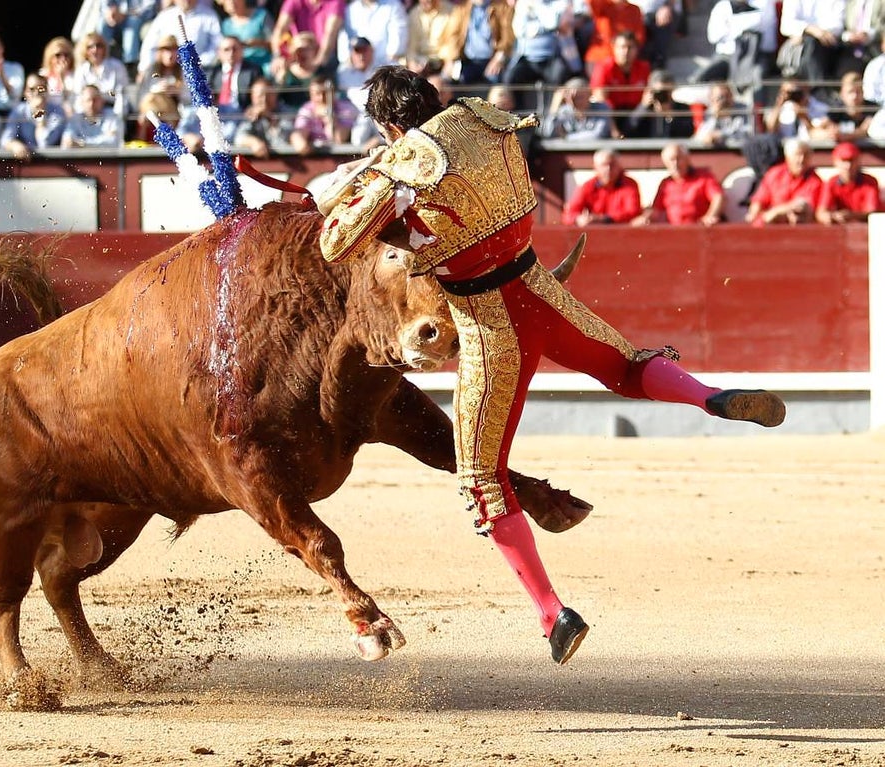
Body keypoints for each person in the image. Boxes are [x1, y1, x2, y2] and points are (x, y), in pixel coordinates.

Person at [316, 65, 786, 665]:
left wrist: (374, 181)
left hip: (489, 323)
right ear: (434, 98)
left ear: (387, 124)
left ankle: (552, 612)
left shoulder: (398, 166)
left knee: (481, 478)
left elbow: (335, 243)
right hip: (541, 291)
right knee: (626, 367)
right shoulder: (484, 117)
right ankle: (711, 396)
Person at [503, 0, 583, 113]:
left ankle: (550, 118)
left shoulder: (561, 3)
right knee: (510, 77)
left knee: (560, 75)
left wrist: (536, 6)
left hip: (551, 58)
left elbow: (554, 22)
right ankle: (519, 117)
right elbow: (519, 30)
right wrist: (544, 28)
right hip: (527, 59)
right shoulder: (523, 3)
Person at [632, 142, 725, 226]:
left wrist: (710, 216)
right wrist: (645, 218)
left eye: (678, 158)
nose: (675, 164)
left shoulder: (704, 177)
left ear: (687, 159)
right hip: (674, 232)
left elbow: (718, 197)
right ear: (665, 163)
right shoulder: (666, 183)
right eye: (671, 160)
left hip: (699, 229)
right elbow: (656, 210)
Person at [744, 138, 823, 226]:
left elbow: (802, 206)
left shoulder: (814, 181)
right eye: (798, 155)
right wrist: (755, 213)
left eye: (806, 156)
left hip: (796, 227)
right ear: (787, 157)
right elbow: (759, 200)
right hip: (768, 224)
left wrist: (776, 212)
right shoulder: (774, 174)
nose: (801, 160)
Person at [138, 0, 222, 79]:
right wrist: (144, 68)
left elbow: (217, 45)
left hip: (199, 71)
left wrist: (199, 61)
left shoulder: (209, 15)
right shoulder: (165, 16)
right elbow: (149, 45)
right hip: (166, 72)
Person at [437, 0, 512, 86]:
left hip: (491, 60)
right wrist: (451, 60)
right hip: (468, 61)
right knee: (448, 79)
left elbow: (508, 37)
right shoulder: (461, 10)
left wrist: (498, 58)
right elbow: (452, 37)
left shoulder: (501, 8)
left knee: (497, 79)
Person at [589, 30, 650, 137]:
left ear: (637, 49)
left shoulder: (644, 68)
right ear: (614, 48)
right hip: (612, 114)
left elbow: (649, 95)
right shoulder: (604, 68)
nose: (626, 51)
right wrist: (613, 129)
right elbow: (600, 100)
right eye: (622, 47)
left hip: (637, 114)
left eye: (630, 47)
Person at [563, 147, 642, 225]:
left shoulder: (630, 184)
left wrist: (604, 219)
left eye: (612, 165)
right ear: (595, 167)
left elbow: (633, 212)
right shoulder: (587, 186)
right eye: (604, 165)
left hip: (623, 233)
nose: (608, 169)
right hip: (595, 234)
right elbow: (568, 214)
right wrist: (578, 219)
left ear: (619, 166)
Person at [777, 0, 844, 87]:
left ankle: (816, 90)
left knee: (813, 44)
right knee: (810, 44)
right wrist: (810, 30)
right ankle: (815, 90)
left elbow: (838, 26)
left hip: (829, 44)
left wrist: (815, 32)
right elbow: (786, 25)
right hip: (800, 47)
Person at [0, 73, 66, 160]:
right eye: (32, 89)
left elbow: (45, 144)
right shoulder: (18, 111)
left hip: (51, 163)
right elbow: (5, 139)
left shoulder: (57, 112)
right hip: (26, 162)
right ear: (25, 92)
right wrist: (14, 145)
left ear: (47, 91)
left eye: (41, 89)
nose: (36, 93)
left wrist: (40, 116)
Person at [135, 35, 188, 142]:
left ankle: (172, 141)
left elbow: (190, 97)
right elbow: (141, 96)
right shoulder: (151, 70)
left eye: (173, 50)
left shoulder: (183, 70)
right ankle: (141, 141)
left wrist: (177, 91)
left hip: (176, 110)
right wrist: (157, 90)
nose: (170, 55)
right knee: (149, 104)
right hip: (152, 108)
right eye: (166, 50)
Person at [270, 0, 346, 74]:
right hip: (297, 52)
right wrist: (278, 55)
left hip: (322, 55)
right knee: (279, 71)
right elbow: (280, 29)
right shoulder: (294, 2)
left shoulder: (335, 2)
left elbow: (330, 34)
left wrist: (318, 62)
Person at [816, 141, 882, 224]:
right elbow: (821, 213)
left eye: (851, 160)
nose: (848, 166)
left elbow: (873, 212)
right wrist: (832, 217)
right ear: (835, 162)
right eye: (844, 161)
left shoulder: (870, 182)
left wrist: (851, 216)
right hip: (840, 233)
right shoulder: (831, 183)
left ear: (858, 161)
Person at [289, 71, 355, 153]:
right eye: (317, 94)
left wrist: (329, 118)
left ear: (333, 93)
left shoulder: (345, 109)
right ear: (310, 95)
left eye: (325, 93)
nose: (321, 98)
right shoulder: (306, 109)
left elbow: (340, 138)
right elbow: (298, 136)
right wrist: (301, 143)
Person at [72, 31, 130, 120]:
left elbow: (122, 95)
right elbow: (78, 97)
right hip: (88, 112)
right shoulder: (81, 70)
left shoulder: (117, 66)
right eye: (90, 47)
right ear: (85, 50)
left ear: (104, 48)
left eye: (99, 46)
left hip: (112, 110)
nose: (95, 50)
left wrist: (118, 119)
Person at [337, 0, 408, 69]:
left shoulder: (394, 5)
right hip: (356, 68)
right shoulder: (350, 9)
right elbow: (343, 39)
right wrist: (350, 60)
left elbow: (398, 40)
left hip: (385, 66)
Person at [623, 68, 693, 139]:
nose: (664, 95)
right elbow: (628, 130)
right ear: (651, 90)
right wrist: (643, 106)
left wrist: (670, 115)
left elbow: (688, 132)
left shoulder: (682, 108)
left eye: (668, 91)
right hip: (647, 148)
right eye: (660, 92)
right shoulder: (644, 110)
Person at [235, 77, 293, 157]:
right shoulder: (250, 113)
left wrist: (270, 118)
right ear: (252, 98)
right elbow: (239, 138)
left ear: (275, 95)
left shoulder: (285, 112)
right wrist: (254, 142)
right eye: (260, 96)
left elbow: (282, 140)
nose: (264, 100)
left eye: (268, 95)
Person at [540, 76, 614, 140]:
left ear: (589, 94)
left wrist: (566, 137)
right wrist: (555, 107)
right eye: (573, 98)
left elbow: (597, 135)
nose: (576, 101)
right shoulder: (564, 111)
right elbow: (547, 133)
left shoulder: (602, 108)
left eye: (580, 97)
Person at [809, 71, 875, 142]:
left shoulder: (872, 108)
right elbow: (813, 132)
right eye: (850, 92)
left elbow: (865, 132)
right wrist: (830, 134)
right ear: (842, 94)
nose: (854, 96)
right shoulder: (837, 110)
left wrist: (845, 136)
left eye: (858, 92)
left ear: (863, 92)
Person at [584, 0, 645, 71]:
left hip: (626, 59)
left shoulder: (634, 10)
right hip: (601, 57)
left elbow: (639, 37)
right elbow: (591, 3)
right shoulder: (603, 5)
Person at [691, 82, 754, 146]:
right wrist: (715, 117)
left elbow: (747, 134)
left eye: (727, 96)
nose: (724, 101)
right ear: (711, 99)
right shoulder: (709, 112)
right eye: (720, 97)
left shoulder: (743, 110)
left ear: (732, 96)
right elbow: (699, 137)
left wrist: (721, 135)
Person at [61, 84, 124, 148]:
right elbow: (67, 142)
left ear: (101, 100)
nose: (91, 104)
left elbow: (113, 142)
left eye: (95, 100)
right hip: (80, 157)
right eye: (88, 100)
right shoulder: (75, 119)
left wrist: (82, 144)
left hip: (106, 157)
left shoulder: (112, 117)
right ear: (82, 102)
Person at [220, 0, 275, 73]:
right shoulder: (226, 25)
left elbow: (275, 43)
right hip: (239, 69)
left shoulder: (261, 16)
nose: (232, 3)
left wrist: (258, 43)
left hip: (263, 64)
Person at [403, 0, 453, 74]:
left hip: (442, 63)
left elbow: (451, 46)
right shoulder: (414, 13)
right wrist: (412, 66)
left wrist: (444, 74)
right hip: (420, 61)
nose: (426, 2)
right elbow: (411, 47)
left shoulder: (450, 11)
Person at [38, 36, 77, 117]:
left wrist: (61, 77)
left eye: (66, 55)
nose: (63, 58)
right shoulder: (43, 74)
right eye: (58, 55)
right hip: (48, 112)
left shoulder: (75, 75)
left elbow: (70, 100)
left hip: (69, 113)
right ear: (50, 57)